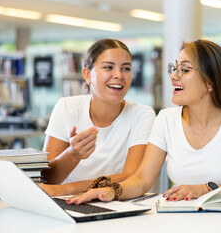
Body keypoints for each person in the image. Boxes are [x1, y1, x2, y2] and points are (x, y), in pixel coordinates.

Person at [68, 39, 221, 204]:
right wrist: (111, 191)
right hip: (183, 220)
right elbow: (142, 179)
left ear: (210, 82)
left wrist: (206, 189)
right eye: (174, 68)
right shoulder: (166, 119)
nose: (174, 76)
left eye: (184, 69)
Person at [40, 39, 156, 196]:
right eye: (108, 67)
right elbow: (46, 179)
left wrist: (64, 190)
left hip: (115, 204)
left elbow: (131, 177)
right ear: (87, 75)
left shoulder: (142, 114)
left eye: (126, 68)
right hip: (65, 204)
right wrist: (72, 155)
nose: (119, 75)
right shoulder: (66, 108)